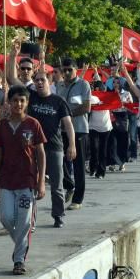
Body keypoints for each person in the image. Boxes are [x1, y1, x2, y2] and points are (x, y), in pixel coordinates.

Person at [0, 85, 46, 275]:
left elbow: (40, 153)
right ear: (9, 102)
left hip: (27, 180)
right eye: (15, 100)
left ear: (27, 103)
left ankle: (19, 260)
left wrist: (41, 182)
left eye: (22, 100)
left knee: (24, 223)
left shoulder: (33, 124)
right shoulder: (1, 126)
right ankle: (21, 244)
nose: (18, 104)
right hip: (6, 179)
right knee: (6, 217)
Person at [28, 70, 76, 228]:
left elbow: (68, 124)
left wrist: (72, 144)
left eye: (43, 80)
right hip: (33, 147)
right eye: (37, 80)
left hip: (54, 147)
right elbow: (12, 79)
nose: (39, 83)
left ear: (50, 82)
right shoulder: (31, 96)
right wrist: (14, 56)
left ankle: (58, 215)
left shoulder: (59, 101)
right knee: (32, 184)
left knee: (57, 185)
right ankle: (30, 219)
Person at [56, 58, 91, 210]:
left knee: (78, 164)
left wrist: (68, 116)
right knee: (59, 161)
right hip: (62, 130)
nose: (67, 73)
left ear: (76, 69)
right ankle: (69, 185)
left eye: (70, 69)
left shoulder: (83, 85)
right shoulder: (60, 85)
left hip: (79, 129)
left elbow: (86, 107)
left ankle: (78, 199)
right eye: (64, 70)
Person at [88, 81, 112, 178]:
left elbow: (116, 102)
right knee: (94, 148)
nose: (97, 90)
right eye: (95, 88)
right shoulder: (91, 97)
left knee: (103, 149)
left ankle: (101, 172)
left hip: (106, 127)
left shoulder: (107, 97)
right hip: (93, 126)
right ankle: (92, 167)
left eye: (99, 88)